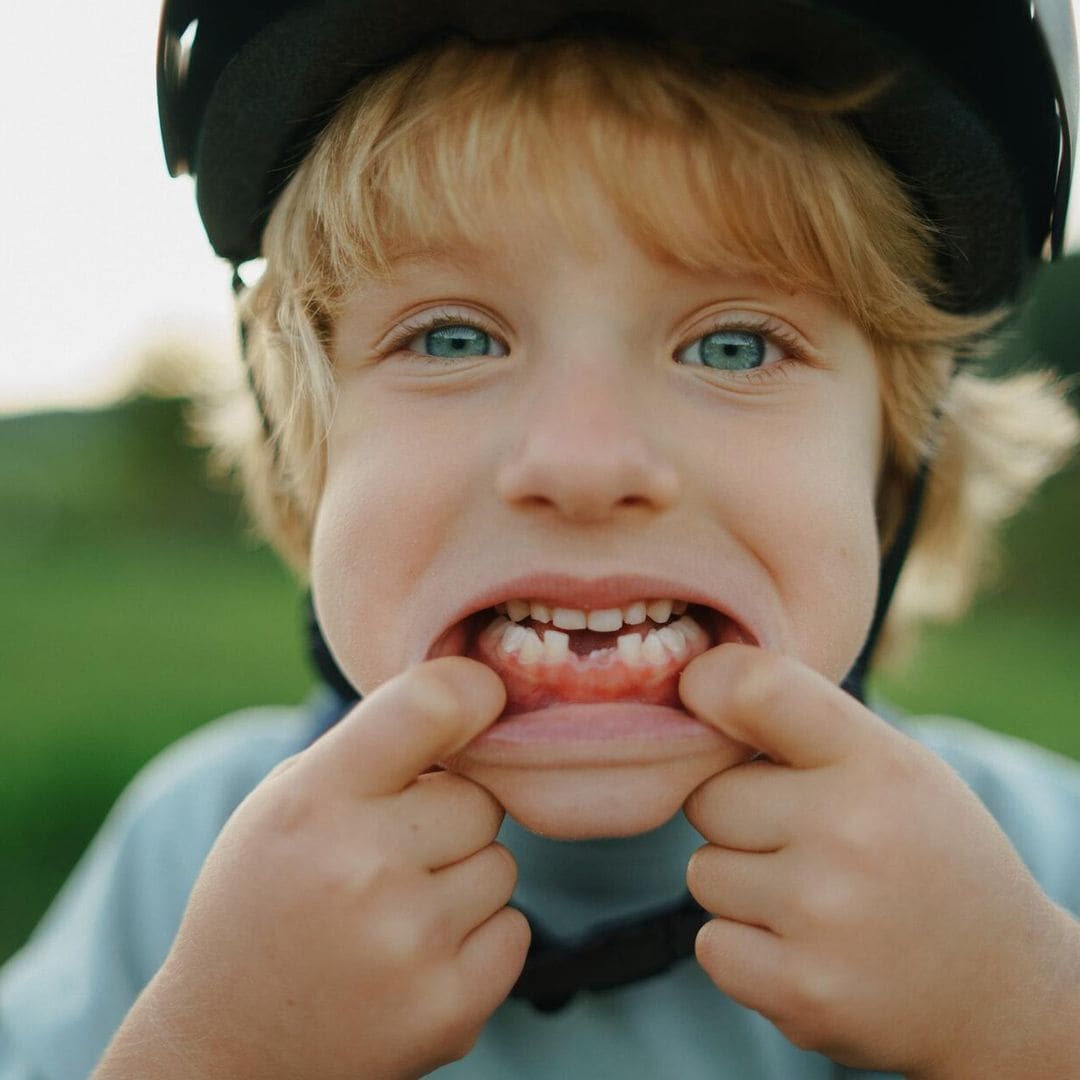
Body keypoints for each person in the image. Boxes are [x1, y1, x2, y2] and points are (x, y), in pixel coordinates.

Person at [3, 2, 1080, 1076]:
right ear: (304, 454)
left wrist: (1024, 1016)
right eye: (453, 337)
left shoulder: (1042, 867)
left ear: (895, 468)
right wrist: (215, 1051)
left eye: (736, 345)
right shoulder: (195, 865)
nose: (584, 464)